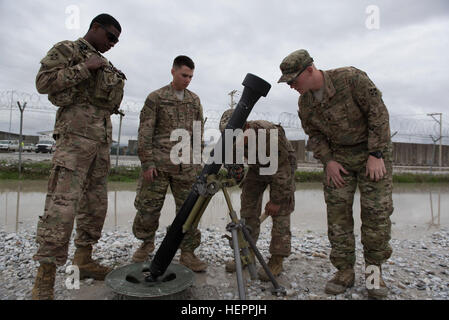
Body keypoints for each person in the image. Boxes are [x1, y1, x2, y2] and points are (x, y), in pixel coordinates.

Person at [278, 49, 393, 299]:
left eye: (293, 80)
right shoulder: (305, 102)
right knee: (338, 217)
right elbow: (315, 135)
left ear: (309, 70)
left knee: (376, 216)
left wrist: (376, 154)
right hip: (338, 158)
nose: (291, 86)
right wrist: (328, 161)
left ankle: (374, 274)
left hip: (371, 153)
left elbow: (378, 114)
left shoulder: (351, 79)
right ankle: (344, 272)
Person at [32, 14, 126, 300]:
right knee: (61, 207)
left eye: (116, 41)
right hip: (73, 141)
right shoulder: (68, 50)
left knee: (95, 205)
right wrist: (84, 68)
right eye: (109, 37)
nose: (112, 44)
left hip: (99, 143)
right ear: (95, 28)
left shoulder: (107, 63)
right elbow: (43, 82)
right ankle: (44, 280)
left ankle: (83, 258)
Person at [132, 55, 207, 272]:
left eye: (191, 76)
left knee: (189, 210)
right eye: (184, 75)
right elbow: (145, 132)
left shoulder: (194, 100)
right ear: (173, 71)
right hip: (159, 165)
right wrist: (147, 163)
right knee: (148, 208)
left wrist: (196, 162)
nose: (188, 80)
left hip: (186, 167)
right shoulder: (156, 98)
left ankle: (188, 253)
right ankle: (146, 245)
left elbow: (197, 132)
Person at [219, 110, 297, 281]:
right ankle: (247, 254)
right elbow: (234, 165)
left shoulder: (268, 134)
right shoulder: (231, 138)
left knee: (281, 211)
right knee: (247, 208)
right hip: (257, 167)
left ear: (246, 127)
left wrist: (276, 200)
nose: (235, 141)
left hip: (281, 166)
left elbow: (281, 172)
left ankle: (277, 259)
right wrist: (234, 169)